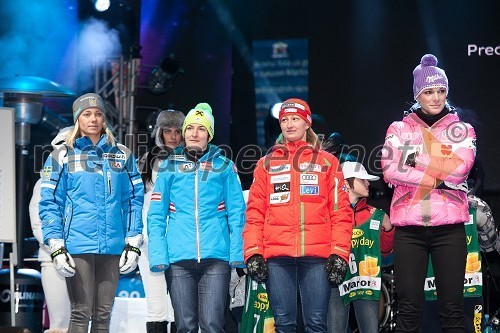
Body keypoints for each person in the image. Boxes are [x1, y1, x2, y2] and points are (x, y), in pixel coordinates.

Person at [381, 54, 477, 332]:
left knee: (452, 311)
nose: (435, 97)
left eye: (441, 90)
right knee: (408, 311)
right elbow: (389, 170)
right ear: (417, 95)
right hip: (409, 232)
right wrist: (439, 174)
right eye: (428, 91)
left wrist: (412, 160)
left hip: (449, 231)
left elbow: (460, 171)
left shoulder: (462, 129)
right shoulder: (398, 128)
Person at [243, 98, 353, 332]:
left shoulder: (328, 162)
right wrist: (253, 252)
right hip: (277, 255)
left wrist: (340, 253)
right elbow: (254, 213)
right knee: (283, 325)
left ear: (307, 123)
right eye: (284, 120)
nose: (290, 124)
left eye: (295, 119)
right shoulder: (265, 164)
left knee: (316, 324)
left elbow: (341, 212)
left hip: (317, 256)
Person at [39, 93, 144, 333]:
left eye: (98, 114)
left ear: (105, 119)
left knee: (103, 314)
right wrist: (56, 245)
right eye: (87, 114)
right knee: (80, 313)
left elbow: (134, 200)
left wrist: (133, 241)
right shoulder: (61, 156)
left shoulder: (122, 155)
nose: (93, 119)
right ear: (77, 119)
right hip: (77, 244)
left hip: (113, 246)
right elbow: (49, 203)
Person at [147, 102, 246, 332]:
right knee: (184, 326)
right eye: (190, 128)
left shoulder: (224, 166)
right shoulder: (169, 167)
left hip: (216, 258)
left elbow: (237, 214)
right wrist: (158, 255)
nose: (194, 133)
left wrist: (237, 254)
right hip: (178, 259)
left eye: (201, 129)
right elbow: (156, 216)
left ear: (209, 134)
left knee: (212, 325)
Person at [420, 188, 500, 333]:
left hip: (452, 289)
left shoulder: (476, 205)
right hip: (447, 289)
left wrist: (480, 221)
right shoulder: (476, 204)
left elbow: (491, 247)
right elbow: (490, 247)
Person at [328, 161, 394, 333]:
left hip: (366, 282)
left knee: (371, 330)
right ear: (347, 182)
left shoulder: (374, 214)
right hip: (337, 282)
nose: (368, 183)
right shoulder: (329, 213)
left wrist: (389, 228)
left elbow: (386, 251)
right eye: (363, 179)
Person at [137, 109, 185, 333]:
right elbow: (136, 203)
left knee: (179, 308)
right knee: (155, 307)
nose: (173, 136)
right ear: (159, 133)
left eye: (178, 131)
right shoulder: (145, 162)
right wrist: (140, 237)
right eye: (168, 131)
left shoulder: (192, 162)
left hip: (180, 242)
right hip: (150, 242)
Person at [29, 127, 73, 333]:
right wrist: (56, 248)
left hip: (88, 258)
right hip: (52, 259)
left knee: (87, 321)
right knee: (60, 324)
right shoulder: (44, 182)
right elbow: (38, 223)